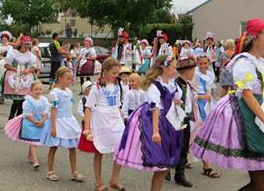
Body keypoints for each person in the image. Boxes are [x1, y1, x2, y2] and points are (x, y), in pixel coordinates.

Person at [191, 19, 264, 191]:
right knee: (259, 185)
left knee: (263, 183)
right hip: (248, 117)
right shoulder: (244, 62)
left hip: (262, 115)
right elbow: (247, 94)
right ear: (255, 38)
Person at [114, 55, 183, 191]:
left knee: (165, 164)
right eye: (174, 67)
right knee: (161, 162)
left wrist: (176, 101)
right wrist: (156, 131)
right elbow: (155, 109)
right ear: (164, 67)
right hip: (153, 122)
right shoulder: (155, 86)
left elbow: (175, 97)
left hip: (169, 122)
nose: (176, 69)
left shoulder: (172, 84)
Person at [82, 57, 126, 191]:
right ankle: (98, 182)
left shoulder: (117, 85)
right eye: (114, 73)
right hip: (101, 122)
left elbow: (118, 105)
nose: (116, 76)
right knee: (99, 151)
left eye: (117, 73)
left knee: (121, 150)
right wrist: (87, 128)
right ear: (105, 71)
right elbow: (89, 108)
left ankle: (114, 178)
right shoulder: (97, 87)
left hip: (115, 121)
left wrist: (122, 121)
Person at [40, 67, 85, 182]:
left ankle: (74, 171)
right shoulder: (54, 93)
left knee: (72, 147)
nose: (70, 81)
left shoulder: (69, 92)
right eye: (68, 79)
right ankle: (50, 171)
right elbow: (53, 111)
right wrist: (54, 127)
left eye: (71, 79)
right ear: (60, 78)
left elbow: (68, 107)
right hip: (58, 121)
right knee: (54, 146)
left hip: (68, 120)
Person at [4, 81, 49, 170]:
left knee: (34, 141)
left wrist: (42, 121)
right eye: (36, 89)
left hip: (40, 122)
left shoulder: (44, 100)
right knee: (33, 142)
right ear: (31, 91)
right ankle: (35, 161)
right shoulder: (27, 102)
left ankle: (30, 155)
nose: (38, 91)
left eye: (40, 89)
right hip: (30, 122)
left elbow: (46, 113)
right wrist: (35, 122)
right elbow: (27, 114)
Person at [190, 53, 220, 178]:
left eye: (205, 63)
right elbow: (191, 93)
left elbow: (209, 91)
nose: (203, 66)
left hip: (208, 105)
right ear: (197, 64)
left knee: (199, 134)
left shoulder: (210, 75)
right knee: (200, 133)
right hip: (197, 106)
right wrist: (203, 97)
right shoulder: (194, 76)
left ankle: (182, 159)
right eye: (201, 63)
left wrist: (212, 101)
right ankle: (206, 166)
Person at [173, 56, 197, 187]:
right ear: (186, 71)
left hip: (186, 118)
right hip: (178, 119)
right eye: (192, 71)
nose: (194, 73)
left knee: (184, 146)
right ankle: (170, 170)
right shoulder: (176, 84)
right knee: (177, 145)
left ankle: (179, 173)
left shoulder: (187, 84)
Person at [3, 35, 37, 120]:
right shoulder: (13, 53)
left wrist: (28, 70)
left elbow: (33, 67)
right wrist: (15, 69)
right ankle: (11, 118)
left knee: (23, 101)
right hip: (15, 77)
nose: (27, 47)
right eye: (25, 44)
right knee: (16, 101)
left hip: (25, 78)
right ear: (21, 44)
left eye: (28, 45)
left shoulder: (30, 55)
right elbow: (6, 65)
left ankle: (18, 119)